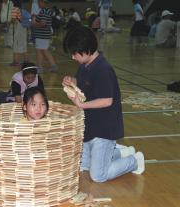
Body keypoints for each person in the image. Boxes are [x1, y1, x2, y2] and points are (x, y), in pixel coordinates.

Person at [62, 26, 145, 183]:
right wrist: (72, 81)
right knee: (84, 165)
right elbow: (84, 83)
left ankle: (134, 161)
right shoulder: (84, 65)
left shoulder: (103, 69)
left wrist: (81, 105)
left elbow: (107, 100)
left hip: (104, 129)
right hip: (91, 125)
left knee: (98, 176)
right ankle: (122, 153)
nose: (73, 57)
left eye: (74, 53)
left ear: (86, 50)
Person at [33, 0, 57, 73]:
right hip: (43, 35)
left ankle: (40, 68)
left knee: (40, 51)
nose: (38, 4)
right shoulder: (45, 11)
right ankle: (53, 66)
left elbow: (43, 23)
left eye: (39, 2)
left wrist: (34, 23)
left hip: (42, 35)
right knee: (43, 50)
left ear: (43, 2)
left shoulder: (44, 11)